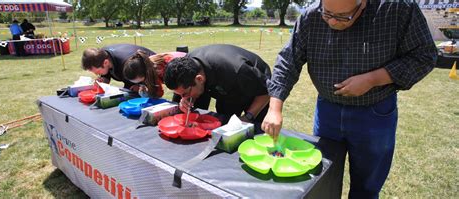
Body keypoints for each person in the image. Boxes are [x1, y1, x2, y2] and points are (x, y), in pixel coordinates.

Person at [262, 0, 437, 198]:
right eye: (327, 13)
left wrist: (373, 79)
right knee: (321, 175)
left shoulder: (398, 9)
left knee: (367, 186)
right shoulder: (311, 15)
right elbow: (288, 61)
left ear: (363, 4)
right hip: (327, 110)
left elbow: (424, 55)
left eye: (343, 16)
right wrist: (274, 108)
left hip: (375, 113)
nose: (333, 23)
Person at [164, 44, 272, 124]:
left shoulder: (237, 69)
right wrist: (184, 101)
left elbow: (267, 91)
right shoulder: (187, 64)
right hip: (226, 89)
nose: (183, 97)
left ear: (199, 79)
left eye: (185, 94)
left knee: (257, 128)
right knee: (225, 123)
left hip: (256, 86)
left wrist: (248, 117)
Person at [81, 44, 155, 90]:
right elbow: (107, 73)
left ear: (106, 62)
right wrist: (104, 80)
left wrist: (140, 85)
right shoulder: (102, 55)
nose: (97, 74)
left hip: (152, 67)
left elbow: (141, 75)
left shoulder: (126, 64)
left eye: (98, 72)